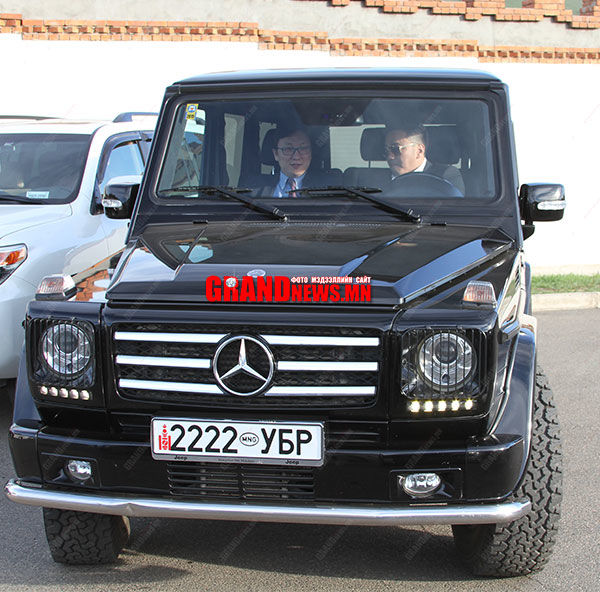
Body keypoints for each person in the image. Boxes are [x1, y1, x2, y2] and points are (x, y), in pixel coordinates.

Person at [384, 125, 465, 195]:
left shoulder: (445, 176)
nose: (390, 157)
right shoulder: (378, 180)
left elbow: (453, 206)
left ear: (419, 151)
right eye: (386, 150)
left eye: (395, 149)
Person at [253, 127, 333, 197]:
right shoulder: (255, 188)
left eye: (303, 148)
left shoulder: (329, 187)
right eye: (288, 149)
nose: (296, 157)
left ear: (311, 152)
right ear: (276, 154)